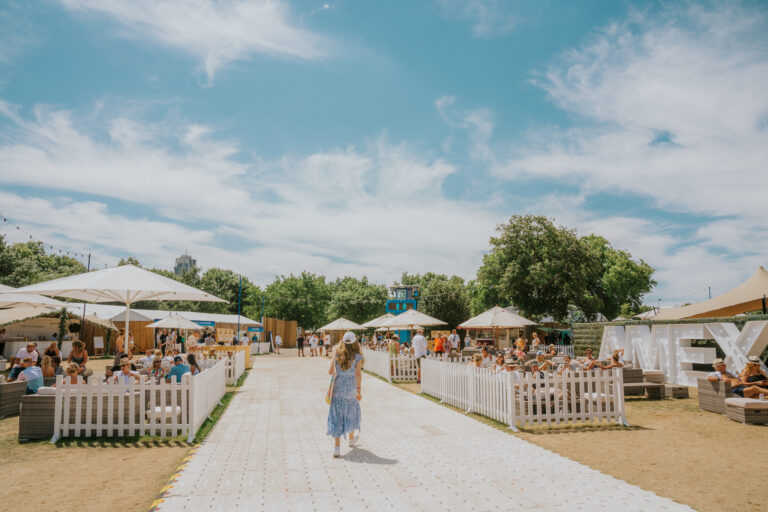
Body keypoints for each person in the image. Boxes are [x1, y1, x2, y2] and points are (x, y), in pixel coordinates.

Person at [327, 331, 363, 458]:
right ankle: (351, 439)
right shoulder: (357, 356)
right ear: (354, 343)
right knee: (351, 413)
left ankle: (336, 448)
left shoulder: (337, 353)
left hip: (338, 388)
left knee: (337, 416)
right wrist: (358, 390)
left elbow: (331, 371)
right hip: (351, 389)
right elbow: (358, 374)